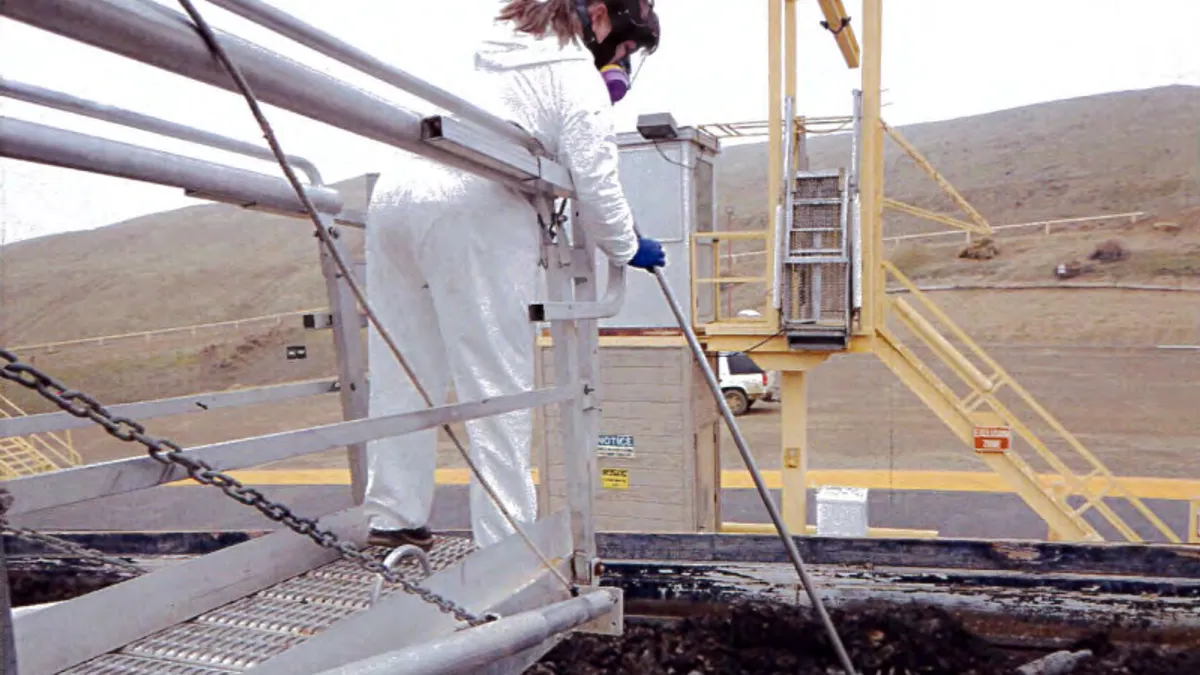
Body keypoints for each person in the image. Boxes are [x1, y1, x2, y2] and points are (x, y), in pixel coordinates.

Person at [362, 0, 666, 550]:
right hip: (474, 201)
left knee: (402, 365)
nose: (617, 65)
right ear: (601, 16)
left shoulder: (487, 49)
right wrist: (628, 247)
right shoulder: (574, 74)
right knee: (496, 380)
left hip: (392, 194)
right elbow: (595, 181)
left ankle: (394, 515)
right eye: (622, 49)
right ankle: (505, 546)